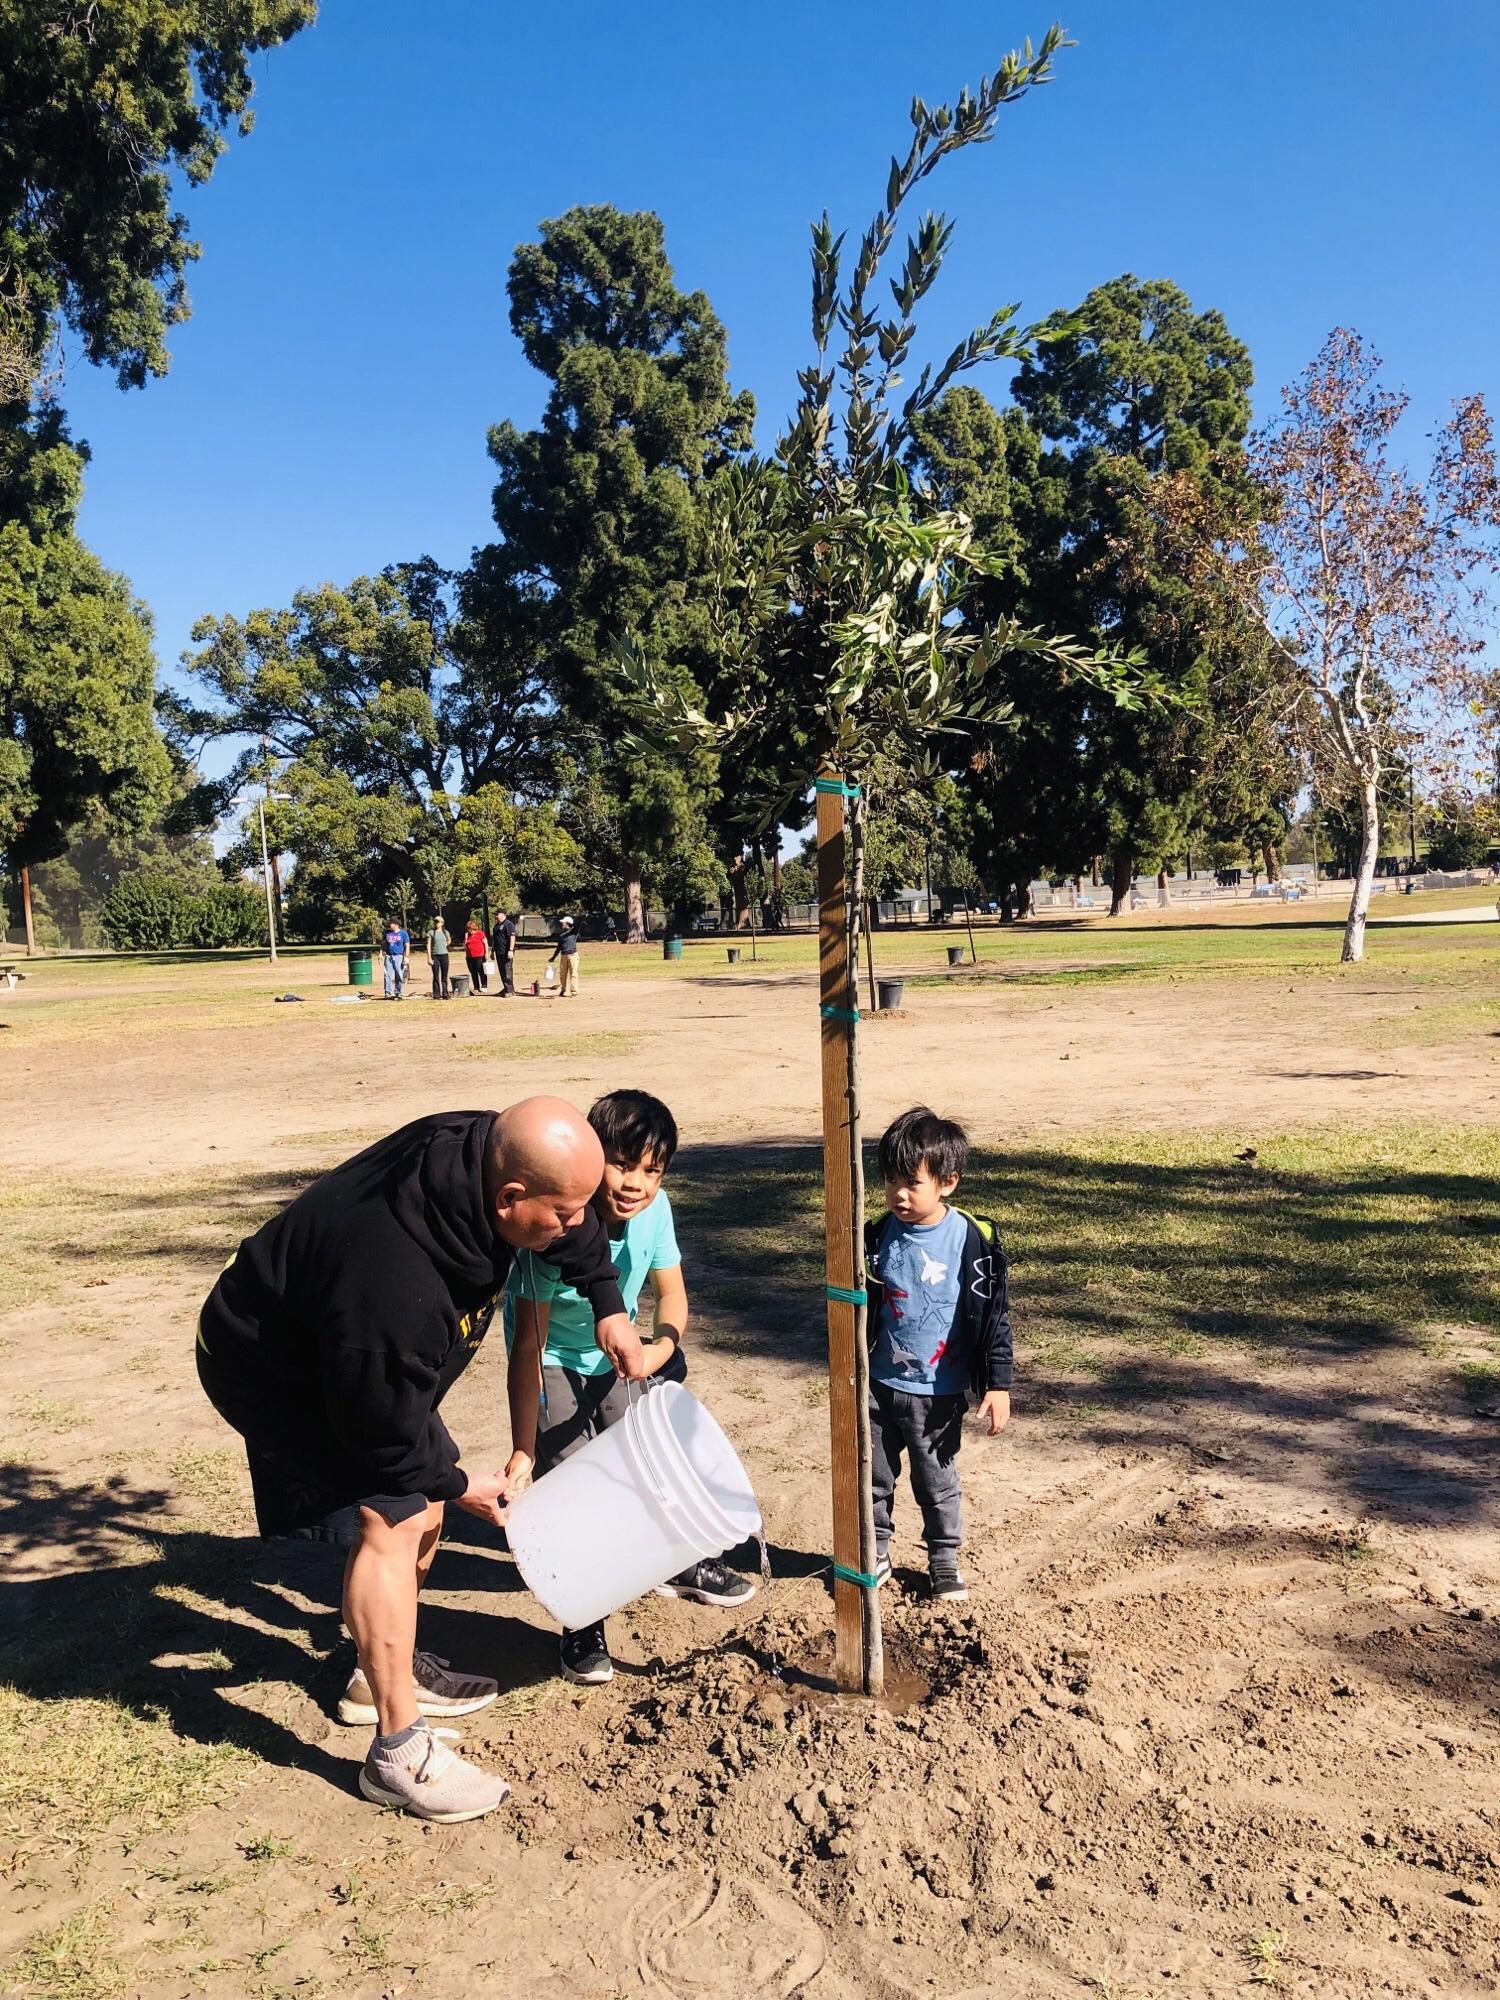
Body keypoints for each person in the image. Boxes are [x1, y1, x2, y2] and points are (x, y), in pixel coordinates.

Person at [196, 1098, 644, 1823]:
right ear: (510, 1198)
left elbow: (573, 1219)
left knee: (423, 1492)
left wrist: (607, 1304)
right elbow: (385, 1432)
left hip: (353, 1351)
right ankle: (397, 1753)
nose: (577, 1224)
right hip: (273, 1365)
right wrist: (458, 1482)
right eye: (563, 1213)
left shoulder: (488, 1150)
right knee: (399, 1512)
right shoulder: (390, 1276)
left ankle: (382, 1671)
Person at [503, 1089, 754, 1686]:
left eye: (651, 1170)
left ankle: (676, 1562)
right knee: (577, 1482)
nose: (635, 1183)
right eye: (621, 1164)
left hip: (619, 1351)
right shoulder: (556, 1229)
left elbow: (672, 1294)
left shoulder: (655, 1211)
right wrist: (523, 1446)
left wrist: (658, 1350)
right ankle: (582, 1623)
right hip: (552, 1361)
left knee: (645, 1466)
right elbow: (527, 1349)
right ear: (593, 1161)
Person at [863, 1105, 1012, 1603]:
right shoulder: (876, 1236)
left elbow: (994, 1317)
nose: (899, 1194)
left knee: (937, 1481)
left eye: (912, 1182)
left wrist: (998, 1384)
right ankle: (875, 1549)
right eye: (890, 1181)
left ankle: (944, 1560)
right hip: (880, 1385)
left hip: (939, 1393)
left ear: (948, 1183)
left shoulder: (972, 1241)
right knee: (874, 1476)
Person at [549, 915, 580, 997]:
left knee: (573, 973)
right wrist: (553, 957)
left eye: (563, 922)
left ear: (568, 923)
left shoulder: (574, 932)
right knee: (562, 974)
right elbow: (559, 947)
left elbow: (579, 923)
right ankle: (563, 990)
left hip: (573, 955)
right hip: (563, 955)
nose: (562, 924)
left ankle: (574, 992)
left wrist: (585, 915)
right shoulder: (561, 935)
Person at [381, 916, 409, 1000]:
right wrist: (381, 953)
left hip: (399, 956)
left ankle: (398, 992)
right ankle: (388, 992)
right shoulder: (387, 933)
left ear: (396, 924)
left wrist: (406, 957)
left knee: (399, 975)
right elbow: (383, 944)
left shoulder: (403, 933)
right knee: (387, 975)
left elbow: (407, 945)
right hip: (388, 956)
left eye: (391, 923)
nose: (390, 925)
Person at [493, 908, 518, 996]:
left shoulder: (509, 924)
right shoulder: (496, 926)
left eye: (497, 914)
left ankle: (510, 991)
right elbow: (495, 939)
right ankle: (506, 988)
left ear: (503, 914)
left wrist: (511, 950)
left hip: (506, 952)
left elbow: (512, 937)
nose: (496, 916)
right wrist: (492, 951)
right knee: (502, 971)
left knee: (507, 971)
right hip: (499, 952)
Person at [426, 915, 451, 1000]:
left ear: (442, 923)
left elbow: (449, 940)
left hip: (444, 955)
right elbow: (428, 945)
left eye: (438, 922)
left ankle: (445, 993)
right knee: (436, 975)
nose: (436, 923)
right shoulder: (431, 932)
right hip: (435, 955)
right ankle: (436, 994)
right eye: (435, 922)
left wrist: (446, 944)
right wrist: (429, 958)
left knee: (444, 975)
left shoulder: (445, 932)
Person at [463, 918, 488, 993]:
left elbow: (485, 943)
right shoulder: (467, 935)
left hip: (479, 956)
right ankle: (476, 986)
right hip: (469, 957)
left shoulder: (480, 933)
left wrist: (486, 953)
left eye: (470, 929)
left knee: (481, 971)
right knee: (473, 972)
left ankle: (484, 985)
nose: (470, 931)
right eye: (468, 929)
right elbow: (465, 946)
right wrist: (466, 939)